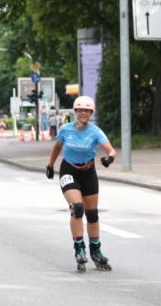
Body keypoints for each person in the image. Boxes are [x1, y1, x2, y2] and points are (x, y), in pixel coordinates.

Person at [46, 96, 116, 272]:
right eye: (80, 110)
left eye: (87, 110)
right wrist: (50, 165)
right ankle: (79, 248)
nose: (83, 113)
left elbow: (111, 149)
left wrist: (110, 158)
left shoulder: (95, 131)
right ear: (75, 112)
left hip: (88, 172)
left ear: (91, 113)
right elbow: (57, 147)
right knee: (77, 208)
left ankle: (96, 251)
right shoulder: (65, 129)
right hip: (69, 170)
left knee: (92, 214)